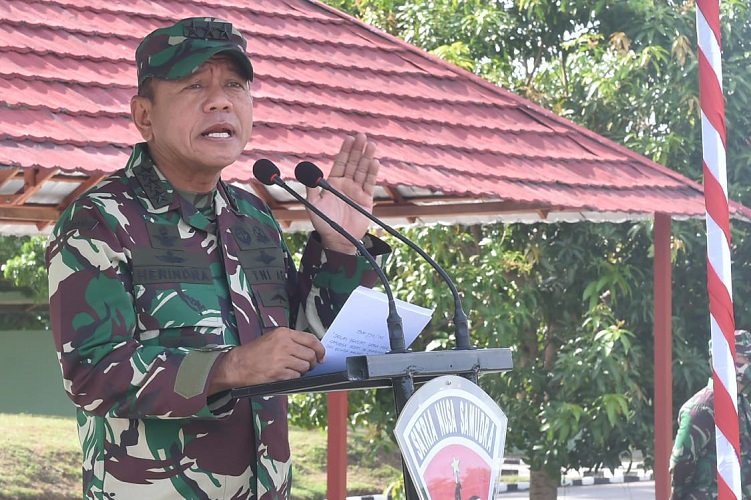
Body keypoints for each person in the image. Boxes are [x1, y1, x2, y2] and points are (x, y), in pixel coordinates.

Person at [45, 17, 390, 499]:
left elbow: (304, 346)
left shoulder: (254, 217)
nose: (220, 101)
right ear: (144, 115)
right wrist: (229, 367)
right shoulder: (100, 220)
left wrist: (340, 247)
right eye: (194, 85)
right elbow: (93, 374)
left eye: (235, 85)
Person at [669, 329, 751, 499]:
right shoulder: (702, 408)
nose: (745, 365)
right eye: (739, 359)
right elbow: (681, 462)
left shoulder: (742, 403)